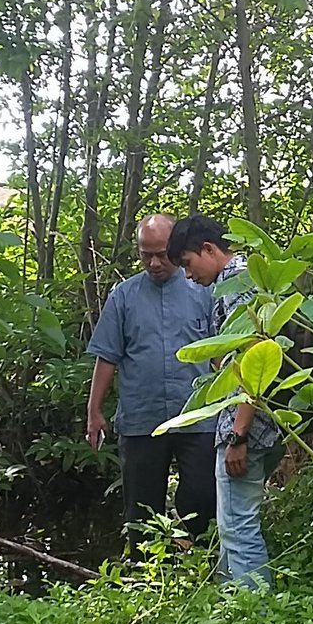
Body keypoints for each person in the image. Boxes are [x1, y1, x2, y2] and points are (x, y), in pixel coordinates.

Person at [86, 214, 217, 557]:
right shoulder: (124, 296)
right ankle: (145, 573)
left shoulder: (202, 289)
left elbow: (223, 353)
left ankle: (198, 562)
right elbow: (107, 356)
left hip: (198, 417)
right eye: (146, 255)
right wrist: (94, 411)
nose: (155, 263)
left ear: (175, 248)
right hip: (142, 418)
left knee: (203, 495)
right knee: (141, 508)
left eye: (162, 253)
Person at [167, 215, 283, 590]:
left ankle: (255, 614)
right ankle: (231, 604)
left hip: (248, 425)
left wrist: (239, 434)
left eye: (187, 263)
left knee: (238, 525)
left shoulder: (236, 280)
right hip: (259, 422)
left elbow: (254, 355)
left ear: (208, 249)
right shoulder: (248, 276)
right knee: (231, 522)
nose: (187, 275)